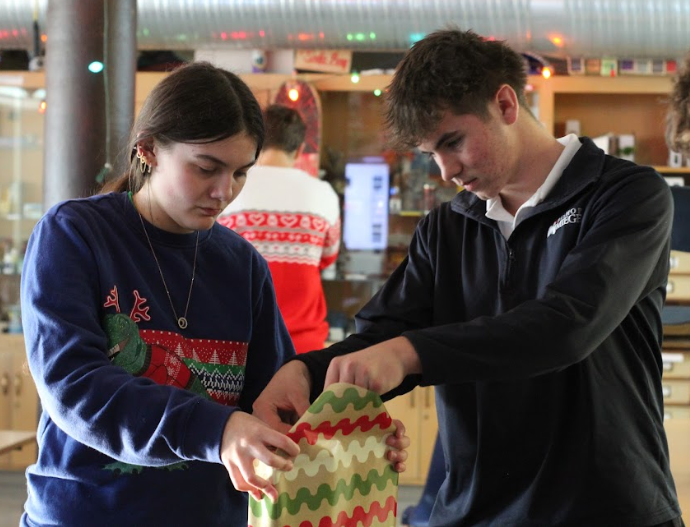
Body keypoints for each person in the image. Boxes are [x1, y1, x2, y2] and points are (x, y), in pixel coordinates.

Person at [253, 29, 683, 526]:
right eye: (431, 154)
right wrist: (305, 372)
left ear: (504, 103)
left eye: (453, 141)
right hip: (474, 511)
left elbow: (567, 324)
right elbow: (382, 335)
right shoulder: (446, 227)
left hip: (606, 508)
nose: (446, 170)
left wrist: (409, 353)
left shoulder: (627, 195)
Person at [19, 62, 408, 527]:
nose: (224, 192)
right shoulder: (76, 234)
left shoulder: (243, 266)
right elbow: (75, 387)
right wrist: (216, 430)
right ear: (148, 150)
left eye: (241, 172)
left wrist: (350, 434)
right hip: (87, 514)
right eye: (207, 168)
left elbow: (276, 407)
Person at [218, 104, 340, 353]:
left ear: (257, 142)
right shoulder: (324, 193)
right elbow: (328, 258)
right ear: (300, 150)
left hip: (241, 338)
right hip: (304, 344)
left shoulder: (228, 189)